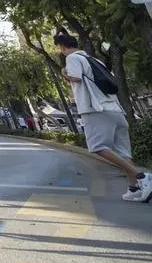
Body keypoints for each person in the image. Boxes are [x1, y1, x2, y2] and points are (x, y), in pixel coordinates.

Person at [54, 31, 152, 202]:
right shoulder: (95, 60)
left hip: (96, 110)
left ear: (62, 47)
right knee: (123, 151)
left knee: (96, 146)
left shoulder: (72, 59)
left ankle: (143, 177)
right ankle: (134, 188)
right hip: (115, 110)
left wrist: (64, 73)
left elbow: (75, 78)